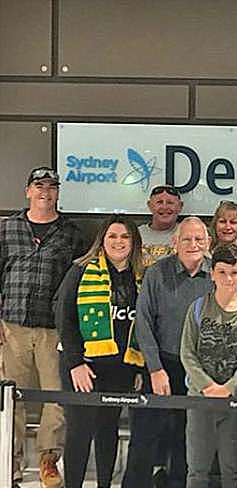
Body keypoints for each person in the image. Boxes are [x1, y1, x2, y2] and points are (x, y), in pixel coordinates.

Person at [0, 166, 84, 487]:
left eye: (51, 187)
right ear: (28, 191)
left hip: (53, 329)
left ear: (57, 193)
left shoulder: (72, 233)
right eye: (39, 186)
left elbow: (77, 285)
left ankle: (49, 461)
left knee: (56, 397)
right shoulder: (7, 229)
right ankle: (11, 464)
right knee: (11, 398)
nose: (45, 192)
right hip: (12, 325)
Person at [122, 216, 213, 488]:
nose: (193, 244)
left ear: (208, 243)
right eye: (186, 238)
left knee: (188, 439)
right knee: (144, 435)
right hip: (162, 365)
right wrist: (154, 368)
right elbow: (144, 321)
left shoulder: (217, 276)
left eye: (199, 239)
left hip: (199, 370)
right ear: (175, 242)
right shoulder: (156, 273)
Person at [55, 215, 144, 488]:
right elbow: (64, 318)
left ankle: (105, 484)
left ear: (134, 242)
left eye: (125, 237)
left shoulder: (141, 277)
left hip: (121, 368)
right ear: (102, 240)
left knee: (108, 431)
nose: (118, 242)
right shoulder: (80, 270)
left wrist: (139, 366)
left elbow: (146, 323)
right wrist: (75, 363)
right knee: (79, 432)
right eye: (112, 236)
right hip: (83, 365)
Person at [180, 244, 237, 488]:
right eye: (222, 272)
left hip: (233, 402)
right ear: (212, 273)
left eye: (234, 272)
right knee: (197, 468)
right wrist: (207, 386)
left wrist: (229, 387)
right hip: (199, 399)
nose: (228, 278)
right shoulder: (197, 308)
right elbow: (187, 353)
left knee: (232, 468)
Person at [138, 184, 183, 267]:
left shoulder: (188, 233)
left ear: (180, 206)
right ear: (149, 205)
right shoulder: (136, 234)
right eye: (159, 202)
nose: (165, 207)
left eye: (170, 203)